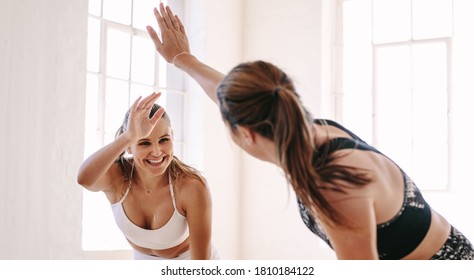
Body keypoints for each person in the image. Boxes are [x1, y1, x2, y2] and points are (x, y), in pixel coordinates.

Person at [145, 3, 474, 260]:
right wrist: (182, 59)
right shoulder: (306, 129)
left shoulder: (333, 185)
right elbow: (229, 96)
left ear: (246, 134)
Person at [77, 92, 220, 260]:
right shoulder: (117, 178)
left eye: (164, 140)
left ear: (172, 137)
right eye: (144, 142)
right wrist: (129, 136)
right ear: (129, 147)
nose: (157, 152)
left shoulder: (191, 186)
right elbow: (84, 179)